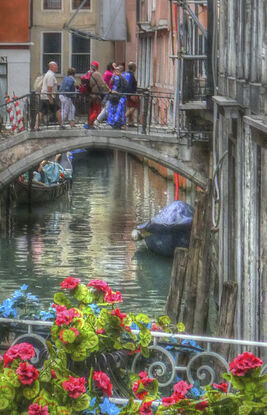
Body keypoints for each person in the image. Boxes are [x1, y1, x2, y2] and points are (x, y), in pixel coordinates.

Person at [34, 61, 61, 130]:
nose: (57, 67)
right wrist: (51, 99)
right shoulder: (51, 75)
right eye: (56, 66)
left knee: (42, 111)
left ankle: (36, 126)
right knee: (58, 110)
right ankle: (61, 125)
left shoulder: (48, 74)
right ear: (51, 67)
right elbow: (49, 88)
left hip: (44, 96)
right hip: (48, 97)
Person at [83, 61, 110, 129]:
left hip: (89, 95)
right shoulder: (97, 74)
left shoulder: (88, 73)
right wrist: (109, 90)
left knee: (92, 110)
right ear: (97, 67)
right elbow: (102, 84)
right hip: (96, 95)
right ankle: (88, 123)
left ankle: (90, 124)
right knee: (98, 111)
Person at [107, 63, 128, 129]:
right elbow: (110, 83)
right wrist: (113, 77)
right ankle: (114, 123)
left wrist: (121, 77)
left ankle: (121, 124)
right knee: (113, 109)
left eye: (119, 70)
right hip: (114, 95)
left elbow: (126, 85)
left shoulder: (123, 76)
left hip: (120, 95)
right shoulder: (114, 76)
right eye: (116, 70)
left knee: (120, 110)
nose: (117, 71)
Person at [94, 62, 115, 126]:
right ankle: (98, 120)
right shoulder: (110, 74)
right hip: (108, 92)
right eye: (114, 66)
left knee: (106, 107)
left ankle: (108, 121)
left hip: (104, 92)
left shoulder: (106, 72)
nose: (116, 67)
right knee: (107, 108)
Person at [125, 62, 138, 127]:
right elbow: (129, 85)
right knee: (133, 107)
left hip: (128, 93)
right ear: (133, 67)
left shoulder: (126, 74)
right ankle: (123, 118)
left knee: (130, 107)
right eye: (135, 67)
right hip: (131, 93)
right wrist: (131, 94)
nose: (136, 68)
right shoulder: (131, 75)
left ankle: (131, 122)